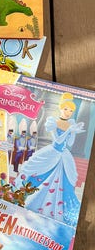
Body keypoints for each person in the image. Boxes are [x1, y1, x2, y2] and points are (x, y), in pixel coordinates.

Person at [15, 92, 85, 226]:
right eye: (66, 109)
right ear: (61, 108)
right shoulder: (54, 122)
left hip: (64, 156)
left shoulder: (71, 123)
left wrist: (72, 132)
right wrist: (68, 130)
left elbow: (69, 143)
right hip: (52, 152)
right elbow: (57, 140)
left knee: (66, 180)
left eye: (71, 111)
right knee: (38, 173)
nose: (68, 113)